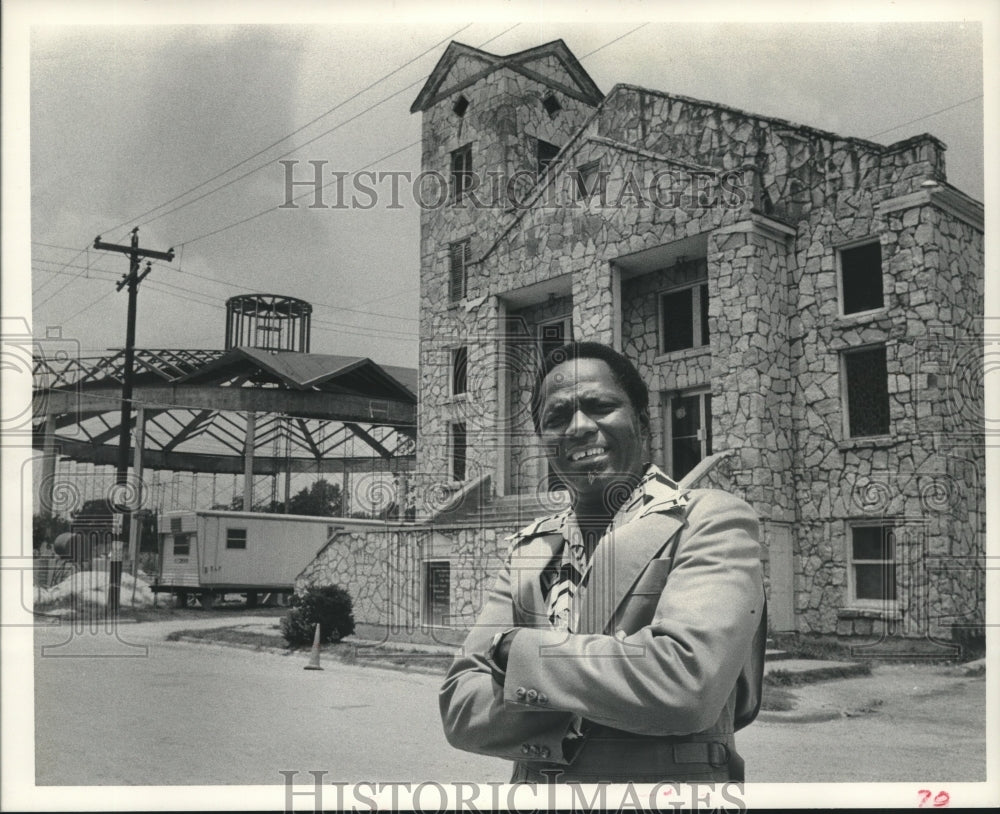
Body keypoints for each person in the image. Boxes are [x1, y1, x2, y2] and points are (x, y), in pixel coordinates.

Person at [439, 341, 766, 782]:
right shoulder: (531, 550)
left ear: (643, 424)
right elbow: (461, 708)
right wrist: (614, 690)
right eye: (556, 417)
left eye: (599, 406)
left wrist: (514, 653)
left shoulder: (707, 519)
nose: (577, 427)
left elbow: (686, 683)